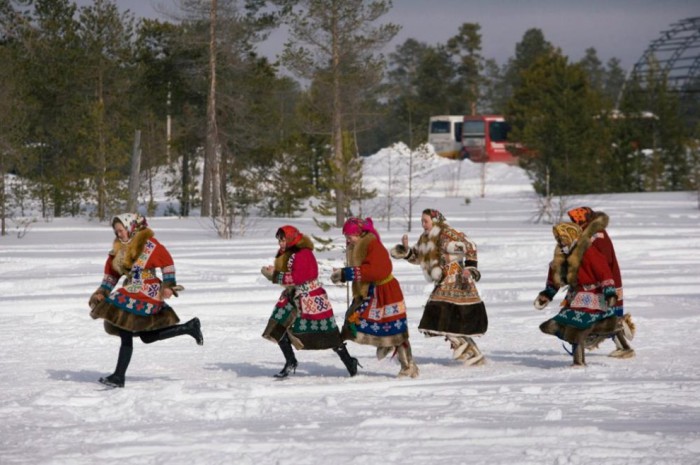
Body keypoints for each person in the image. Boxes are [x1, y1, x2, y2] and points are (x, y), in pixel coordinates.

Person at [89, 213, 203, 388]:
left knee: (121, 310)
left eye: (121, 230)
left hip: (147, 290)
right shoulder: (118, 251)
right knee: (146, 336)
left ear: (130, 227)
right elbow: (111, 276)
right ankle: (189, 327)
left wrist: (168, 285)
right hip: (132, 289)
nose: (118, 234)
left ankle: (119, 376)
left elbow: (167, 263)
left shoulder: (148, 245)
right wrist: (102, 292)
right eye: (116, 231)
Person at [391, 209, 488, 365]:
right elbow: (418, 257)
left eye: (426, 221)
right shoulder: (425, 238)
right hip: (442, 282)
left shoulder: (448, 233)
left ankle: (465, 348)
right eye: (421, 221)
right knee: (446, 318)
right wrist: (406, 251)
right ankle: (471, 351)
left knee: (438, 314)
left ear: (435, 221)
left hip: (458, 279)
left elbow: (470, 246)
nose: (423, 225)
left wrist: (470, 268)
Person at [261, 225, 358, 378]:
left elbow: (298, 278)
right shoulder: (288, 252)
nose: (280, 243)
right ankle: (290, 361)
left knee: (328, 335)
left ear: (291, 238)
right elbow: (288, 274)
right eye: (279, 240)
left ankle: (349, 361)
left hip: (311, 298)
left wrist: (275, 275)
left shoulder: (303, 254)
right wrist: (274, 272)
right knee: (277, 325)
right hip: (292, 296)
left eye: (283, 240)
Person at [331, 217, 419, 378]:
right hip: (370, 292)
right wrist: (344, 273)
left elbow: (378, 271)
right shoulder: (357, 245)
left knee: (396, 331)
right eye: (346, 237)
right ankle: (385, 342)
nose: (347, 240)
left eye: (349, 236)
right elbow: (362, 269)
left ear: (359, 233)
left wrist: (347, 273)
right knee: (353, 322)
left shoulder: (373, 246)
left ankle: (408, 366)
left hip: (387, 292)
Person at [535, 222, 633, 366]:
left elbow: (603, 271)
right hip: (575, 295)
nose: (559, 242)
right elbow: (555, 276)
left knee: (578, 326)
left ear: (572, 235)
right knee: (570, 324)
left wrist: (610, 292)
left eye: (562, 238)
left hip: (593, 294)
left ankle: (579, 362)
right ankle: (616, 326)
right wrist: (547, 294)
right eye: (558, 239)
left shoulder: (588, 251)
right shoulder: (561, 254)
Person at [565, 206, 635, 357]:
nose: (574, 223)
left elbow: (602, 263)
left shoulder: (597, 236)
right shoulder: (587, 234)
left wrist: (599, 282)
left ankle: (584, 347)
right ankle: (621, 346)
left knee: (599, 315)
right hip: (592, 282)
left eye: (576, 220)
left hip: (601, 282)